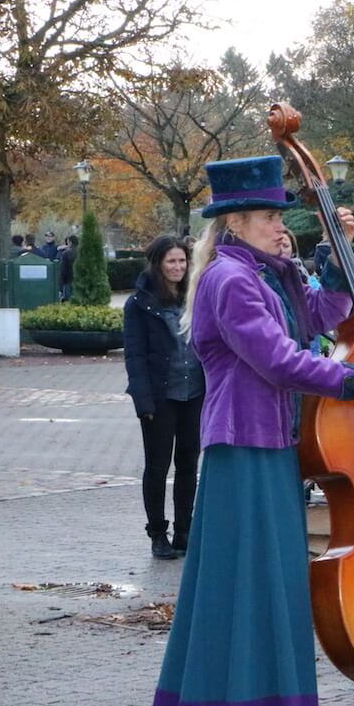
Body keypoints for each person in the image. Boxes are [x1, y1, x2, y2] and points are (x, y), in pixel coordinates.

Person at [148, 155, 354, 706]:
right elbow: (280, 361)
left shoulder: (267, 274)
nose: (278, 226)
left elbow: (324, 314)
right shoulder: (231, 281)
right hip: (244, 450)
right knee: (247, 589)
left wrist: (339, 254)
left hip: (271, 447)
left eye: (279, 216)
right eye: (267, 216)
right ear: (234, 221)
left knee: (266, 587)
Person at [123, 235, 204, 560]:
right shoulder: (139, 304)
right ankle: (158, 532)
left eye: (182, 261)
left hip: (195, 392)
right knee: (157, 467)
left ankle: (185, 530)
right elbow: (135, 356)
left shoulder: (194, 297)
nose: (178, 267)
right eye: (171, 261)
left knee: (188, 463)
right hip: (160, 396)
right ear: (158, 263)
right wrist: (143, 402)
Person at [58, 235, 77, 301]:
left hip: (68, 280)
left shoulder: (66, 253)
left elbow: (63, 270)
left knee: (68, 300)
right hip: (80, 280)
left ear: (70, 242)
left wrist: (61, 282)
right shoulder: (83, 252)